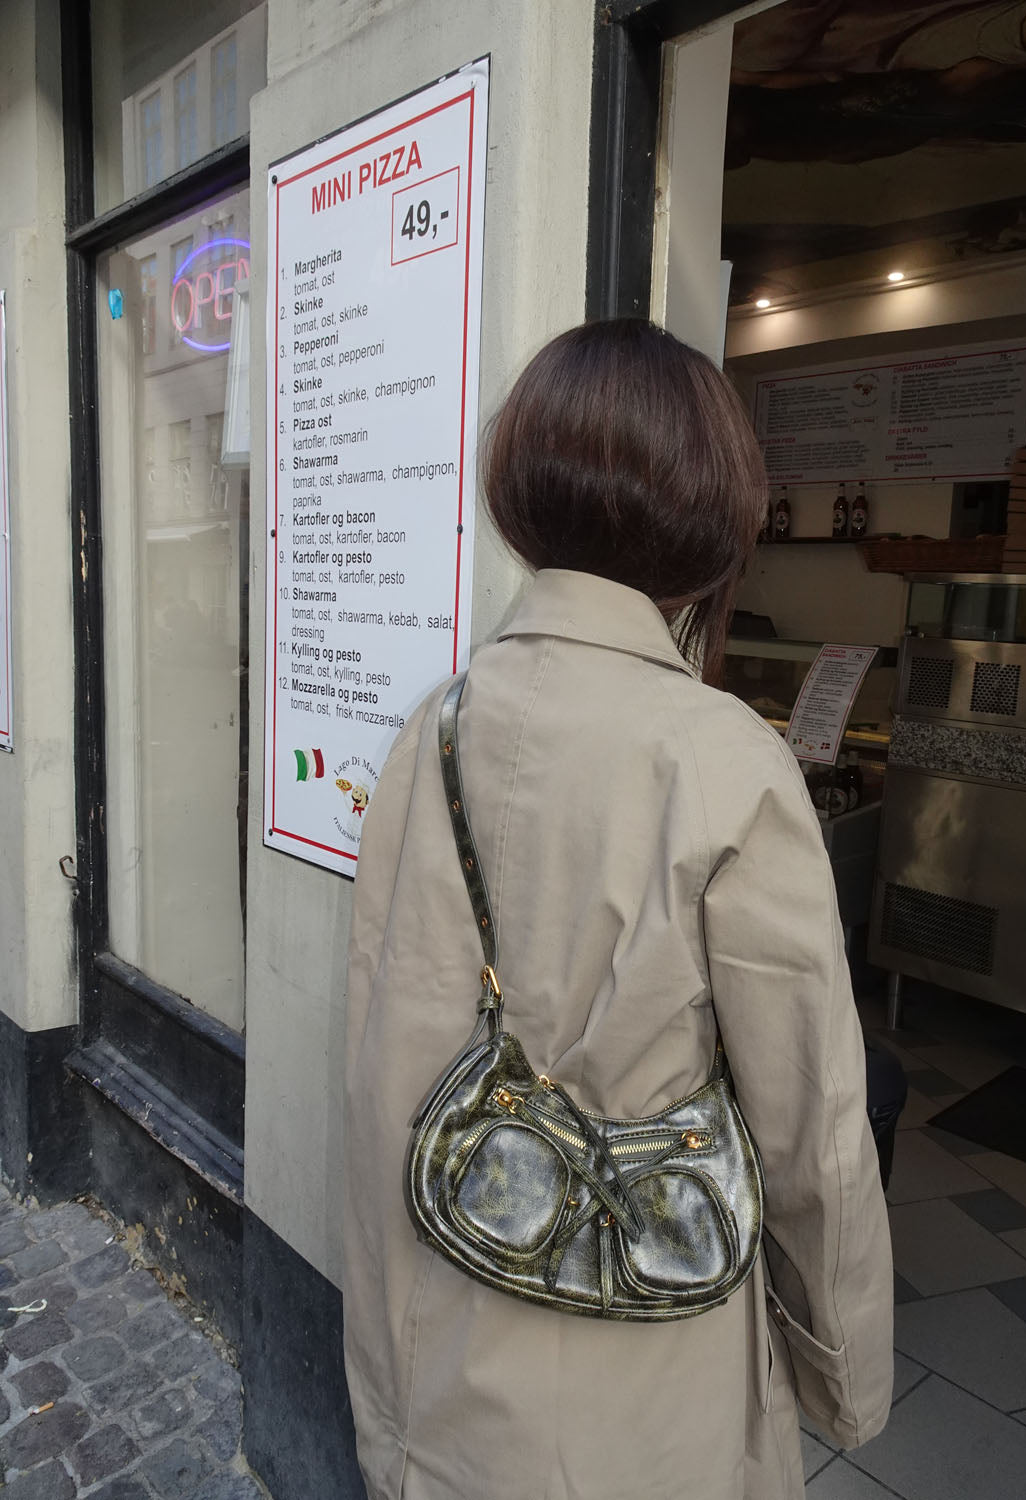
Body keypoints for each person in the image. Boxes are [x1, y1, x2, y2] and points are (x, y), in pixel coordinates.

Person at [343, 320, 893, 1500]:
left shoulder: (432, 730)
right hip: (656, 1376)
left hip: (447, 1341)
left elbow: (384, 1066)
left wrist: (385, 1380)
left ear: (522, 498)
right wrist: (843, 1369)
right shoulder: (727, 760)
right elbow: (812, 1128)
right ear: (707, 526)